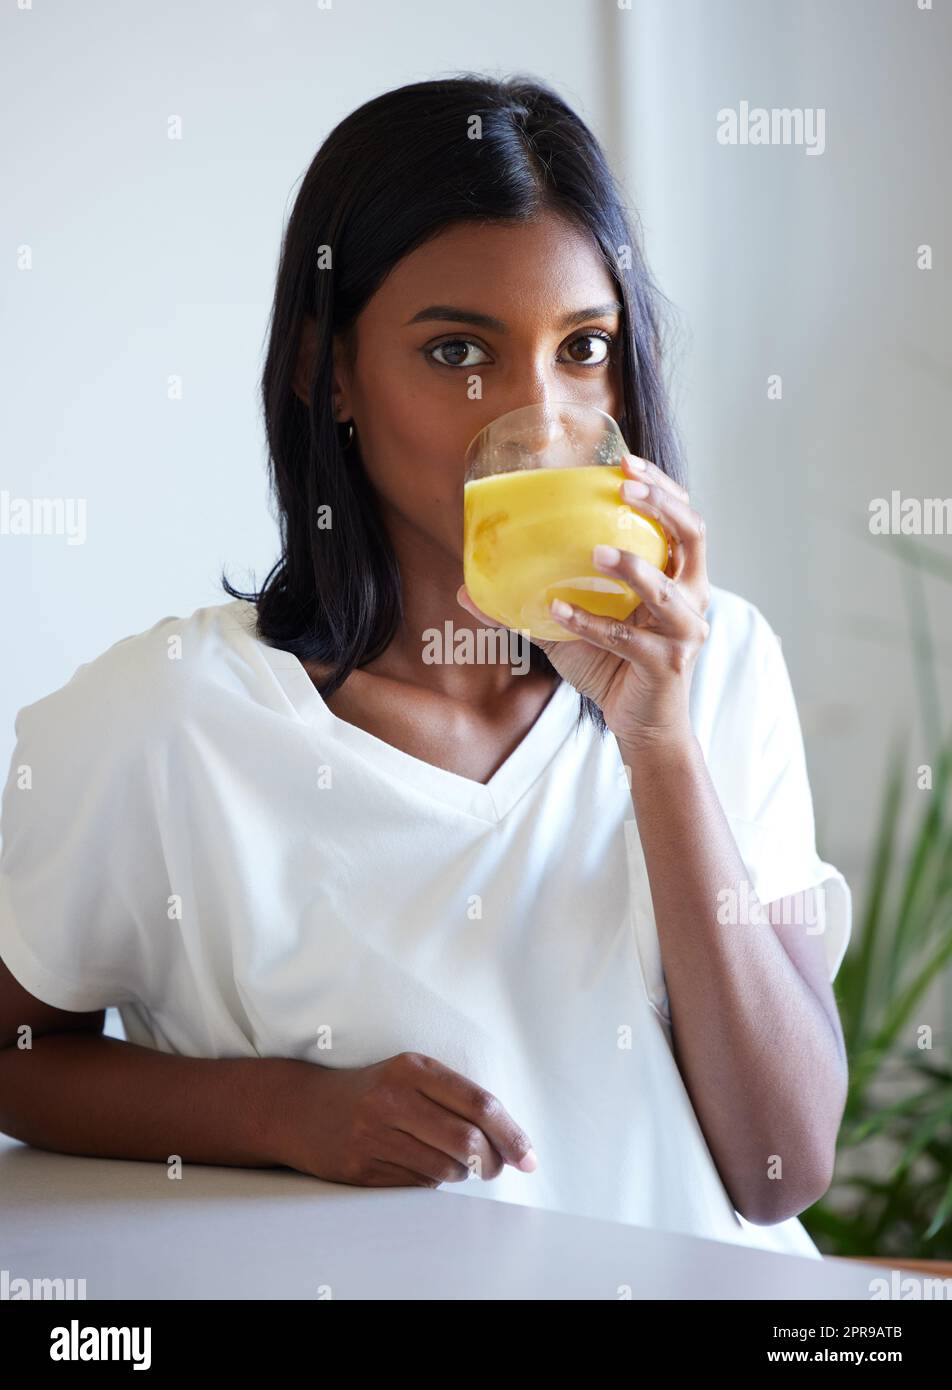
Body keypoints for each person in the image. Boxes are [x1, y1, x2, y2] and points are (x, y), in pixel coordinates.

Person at [0, 74, 851, 1261]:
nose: (538, 416)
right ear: (327, 372)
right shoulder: (168, 719)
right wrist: (286, 1112)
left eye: (584, 349)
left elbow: (779, 1170)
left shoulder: (720, 666)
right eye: (459, 349)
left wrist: (658, 743)